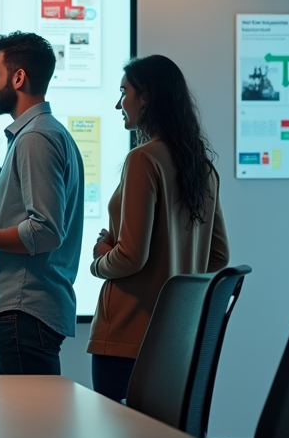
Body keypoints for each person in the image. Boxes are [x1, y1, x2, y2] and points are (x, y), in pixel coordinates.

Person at [88, 55, 230, 401]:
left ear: (145, 97)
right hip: (177, 338)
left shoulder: (143, 159)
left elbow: (131, 257)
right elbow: (219, 257)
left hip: (127, 335)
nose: (119, 103)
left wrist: (99, 259)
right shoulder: (201, 167)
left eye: (124, 93)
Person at [0, 31, 84, 375]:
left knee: (28, 426)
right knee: (30, 423)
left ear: (19, 77)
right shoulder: (47, 133)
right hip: (28, 309)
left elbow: (44, 232)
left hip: (24, 308)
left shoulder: (36, 138)